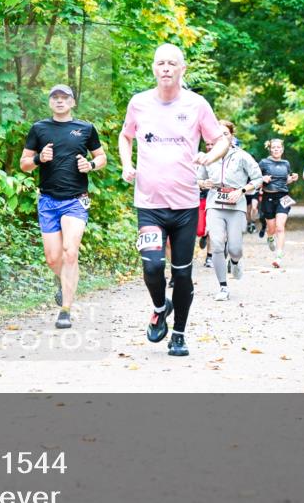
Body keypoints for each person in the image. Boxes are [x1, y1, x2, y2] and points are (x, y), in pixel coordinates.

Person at [118, 43, 229, 357]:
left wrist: (210, 156)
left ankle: (178, 334)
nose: (165, 68)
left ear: (182, 69)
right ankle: (159, 306)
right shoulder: (139, 103)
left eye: (172, 63)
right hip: (149, 204)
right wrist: (127, 164)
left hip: (185, 206)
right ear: (153, 68)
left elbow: (220, 139)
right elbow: (125, 136)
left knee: (182, 274)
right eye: (160, 63)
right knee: (152, 266)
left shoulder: (196, 105)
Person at [21, 84, 106, 328]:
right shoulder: (39, 128)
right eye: (55, 98)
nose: (60, 101)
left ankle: (66, 310)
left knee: (71, 251)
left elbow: (101, 158)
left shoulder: (86, 129)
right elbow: (24, 163)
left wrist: (90, 165)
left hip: (76, 200)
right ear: (50, 102)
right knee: (53, 258)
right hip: (48, 200)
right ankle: (63, 279)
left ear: (72, 102)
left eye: (64, 98)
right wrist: (38, 159)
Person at [197, 121, 263, 301]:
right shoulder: (208, 157)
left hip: (236, 206)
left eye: (226, 133)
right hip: (214, 205)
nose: (223, 137)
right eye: (219, 135)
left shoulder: (242, 156)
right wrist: (203, 183)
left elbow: (258, 179)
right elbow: (196, 179)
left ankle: (235, 261)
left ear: (232, 135)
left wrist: (241, 191)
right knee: (217, 244)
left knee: (235, 248)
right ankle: (223, 287)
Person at [258, 138, 299, 267]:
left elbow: (285, 180)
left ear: (282, 149)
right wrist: (262, 179)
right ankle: (270, 237)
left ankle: (279, 256)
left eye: (278, 147)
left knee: (280, 227)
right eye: (274, 147)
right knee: (272, 229)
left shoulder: (286, 163)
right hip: (268, 198)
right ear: (270, 149)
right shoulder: (264, 162)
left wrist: (292, 179)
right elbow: (254, 178)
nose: (276, 149)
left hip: (283, 197)